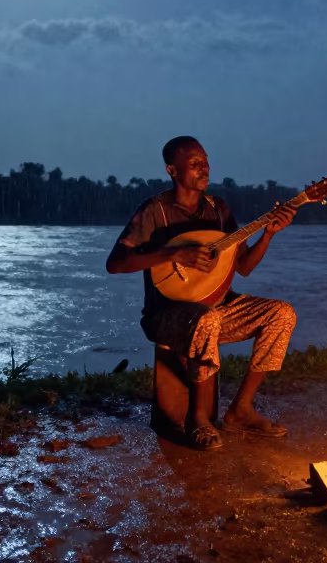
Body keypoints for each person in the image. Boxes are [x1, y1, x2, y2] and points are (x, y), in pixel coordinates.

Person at [105, 136, 298, 450]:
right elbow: (115, 264)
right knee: (205, 319)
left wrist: (268, 235)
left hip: (216, 305)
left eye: (205, 162)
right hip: (166, 314)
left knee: (281, 313)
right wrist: (173, 255)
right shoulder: (155, 211)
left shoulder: (218, 210)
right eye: (194, 163)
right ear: (172, 170)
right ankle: (198, 419)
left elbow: (245, 266)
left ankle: (241, 410)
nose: (204, 168)